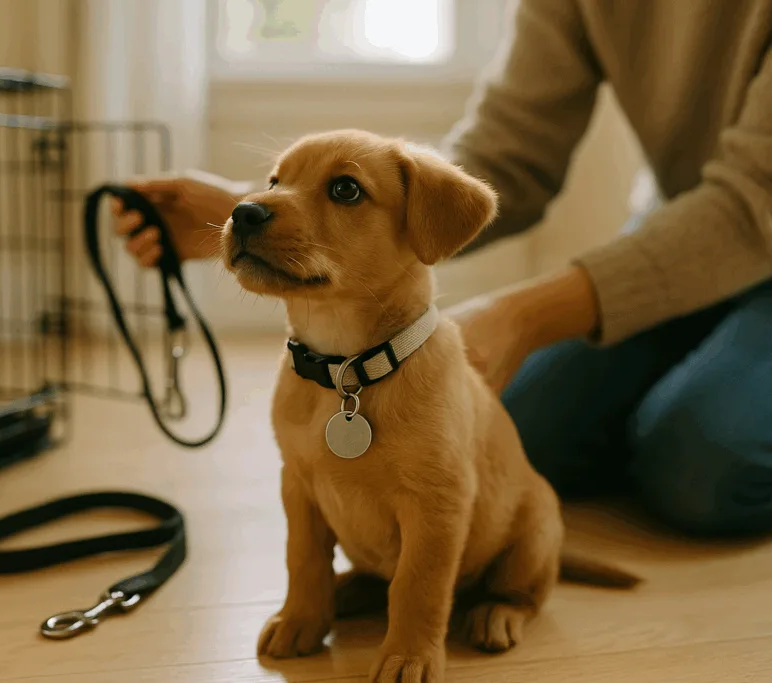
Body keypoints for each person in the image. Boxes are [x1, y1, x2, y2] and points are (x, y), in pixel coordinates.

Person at [112, 0, 772, 538]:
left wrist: (520, 315)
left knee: (697, 471)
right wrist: (248, 217)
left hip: (750, 236)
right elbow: (504, 158)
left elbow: (752, 205)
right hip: (676, 238)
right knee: (506, 431)